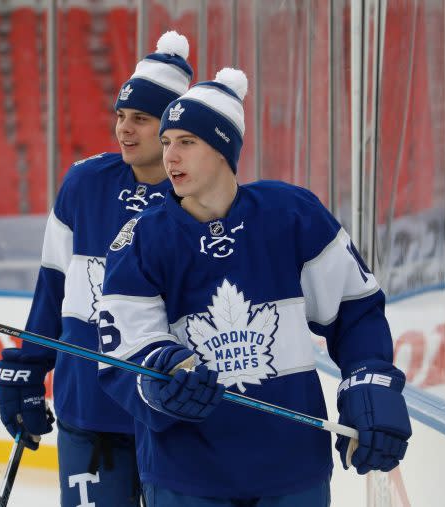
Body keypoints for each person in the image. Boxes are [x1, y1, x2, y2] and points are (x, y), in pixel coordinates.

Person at [97, 67, 412, 506]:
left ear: (224, 150)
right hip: (185, 476)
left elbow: (355, 310)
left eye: (187, 142)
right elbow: (123, 351)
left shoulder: (292, 216)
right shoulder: (141, 240)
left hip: (292, 469)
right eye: (166, 143)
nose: (170, 157)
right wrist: (160, 378)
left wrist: (367, 382)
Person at [0, 31, 194, 506]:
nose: (124, 130)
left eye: (140, 120)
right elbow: (52, 289)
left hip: (169, 415)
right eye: (120, 117)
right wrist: (25, 369)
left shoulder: (199, 195)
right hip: (88, 407)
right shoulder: (84, 184)